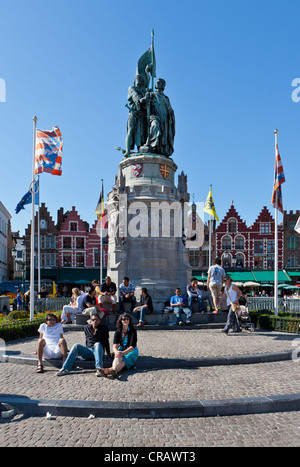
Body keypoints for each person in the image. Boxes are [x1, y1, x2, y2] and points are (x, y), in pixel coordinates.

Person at [57, 313, 111, 377]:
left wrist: (108, 354)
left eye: (97, 319)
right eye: (93, 320)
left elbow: (106, 341)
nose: (95, 321)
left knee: (97, 344)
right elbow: (87, 340)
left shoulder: (104, 328)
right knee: (76, 345)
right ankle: (65, 368)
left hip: (99, 351)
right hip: (89, 351)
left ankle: (99, 369)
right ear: (90, 321)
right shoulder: (86, 328)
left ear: (100, 320)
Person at [140, 78, 175, 157]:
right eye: (156, 83)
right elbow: (142, 102)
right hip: (154, 116)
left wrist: (171, 114)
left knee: (164, 134)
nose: (156, 84)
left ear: (163, 85)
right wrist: (146, 99)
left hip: (164, 118)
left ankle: (160, 149)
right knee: (155, 125)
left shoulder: (166, 98)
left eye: (159, 83)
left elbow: (169, 109)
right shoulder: (152, 94)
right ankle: (151, 145)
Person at [104, 313, 138, 378]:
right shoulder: (118, 332)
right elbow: (115, 345)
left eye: (127, 319)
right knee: (121, 361)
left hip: (131, 352)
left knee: (121, 358)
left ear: (129, 320)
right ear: (120, 321)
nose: (125, 320)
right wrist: (116, 352)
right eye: (123, 319)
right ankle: (114, 371)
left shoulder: (133, 331)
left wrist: (122, 353)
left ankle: (109, 370)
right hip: (121, 350)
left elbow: (132, 347)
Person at [125, 74, 147, 156]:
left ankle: (140, 149)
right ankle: (127, 151)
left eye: (140, 78)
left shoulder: (144, 92)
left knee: (141, 134)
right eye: (137, 78)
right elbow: (134, 95)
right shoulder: (132, 88)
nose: (138, 79)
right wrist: (141, 100)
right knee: (131, 131)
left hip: (142, 115)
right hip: (133, 113)